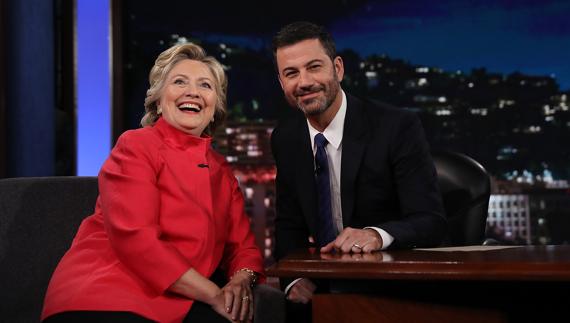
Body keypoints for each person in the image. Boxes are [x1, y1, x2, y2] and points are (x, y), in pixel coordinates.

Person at [41, 43, 264, 323]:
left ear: (214, 107)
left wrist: (242, 280)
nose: (192, 91)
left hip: (184, 298)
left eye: (205, 85)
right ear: (158, 101)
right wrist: (215, 295)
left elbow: (243, 248)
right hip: (106, 293)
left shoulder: (222, 172)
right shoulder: (136, 145)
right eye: (179, 82)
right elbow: (138, 238)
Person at [270, 21, 447, 318]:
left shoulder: (395, 126)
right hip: (323, 290)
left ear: (338, 69)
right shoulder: (285, 138)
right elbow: (289, 225)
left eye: (314, 67)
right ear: (281, 83)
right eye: (291, 73)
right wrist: (295, 279)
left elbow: (431, 220)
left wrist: (377, 235)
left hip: (393, 285)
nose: (304, 82)